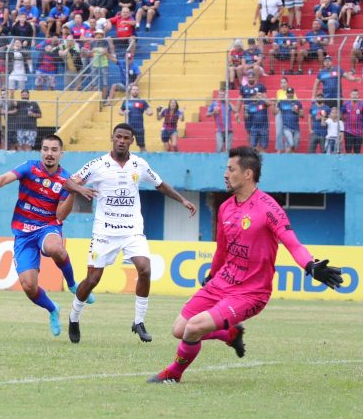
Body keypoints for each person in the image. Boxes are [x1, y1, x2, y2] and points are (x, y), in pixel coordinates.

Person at [147, 147, 343, 384]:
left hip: (251, 292)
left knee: (193, 328)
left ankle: (173, 374)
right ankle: (229, 333)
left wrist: (311, 266)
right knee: (179, 329)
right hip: (222, 282)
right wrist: (212, 275)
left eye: (231, 169)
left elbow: (293, 244)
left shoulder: (269, 208)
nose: (225, 174)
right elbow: (222, 249)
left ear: (248, 174)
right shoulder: (226, 207)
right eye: (226, 169)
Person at [64, 123, 197, 343]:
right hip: (104, 232)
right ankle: (74, 316)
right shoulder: (98, 164)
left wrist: (182, 200)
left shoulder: (139, 164)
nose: (122, 141)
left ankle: (139, 321)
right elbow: (69, 182)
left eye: (126, 137)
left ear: (132, 140)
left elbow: (160, 184)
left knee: (145, 269)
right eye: (118, 137)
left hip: (132, 230)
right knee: (93, 279)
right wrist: (81, 189)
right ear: (112, 138)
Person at [0, 135, 95, 339]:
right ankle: (52, 309)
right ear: (41, 151)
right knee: (29, 286)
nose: (49, 153)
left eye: (54, 149)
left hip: (47, 226)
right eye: (46, 149)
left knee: (56, 248)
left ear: (61, 153)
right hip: (23, 232)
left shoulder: (65, 179)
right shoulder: (30, 168)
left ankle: (73, 284)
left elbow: (60, 215)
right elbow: (5, 177)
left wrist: (73, 192)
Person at [119, 84, 153, 152]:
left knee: (142, 146)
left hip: (139, 128)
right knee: (124, 145)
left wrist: (149, 112)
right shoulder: (126, 101)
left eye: (137, 90)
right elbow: (120, 111)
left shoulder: (142, 101)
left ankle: (144, 161)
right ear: (131, 91)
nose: (135, 91)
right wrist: (124, 112)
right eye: (134, 89)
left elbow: (150, 111)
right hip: (128, 128)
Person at [278, 87, 304, 153]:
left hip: (296, 128)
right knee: (291, 144)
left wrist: (297, 111)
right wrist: (274, 103)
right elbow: (275, 112)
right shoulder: (282, 102)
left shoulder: (297, 103)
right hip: (286, 127)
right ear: (286, 94)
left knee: (293, 146)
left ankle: (288, 160)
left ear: (293, 94)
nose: (290, 94)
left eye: (291, 93)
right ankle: (285, 158)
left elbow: (302, 115)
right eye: (288, 93)